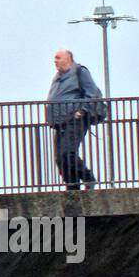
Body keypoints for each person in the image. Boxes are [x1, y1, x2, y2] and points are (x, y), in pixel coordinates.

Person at [45, 49, 102, 190]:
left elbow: (92, 93)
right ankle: (72, 187)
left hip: (76, 119)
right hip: (60, 122)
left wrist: (82, 110)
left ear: (68, 58)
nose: (55, 61)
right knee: (60, 159)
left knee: (67, 153)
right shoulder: (58, 77)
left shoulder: (79, 72)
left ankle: (88, 178)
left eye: (58, 57)